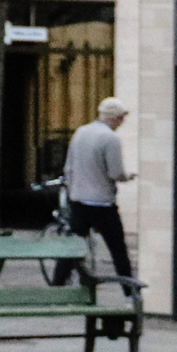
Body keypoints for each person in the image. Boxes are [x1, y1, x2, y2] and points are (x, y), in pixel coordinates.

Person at [58, 96, 136, 290]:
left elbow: (69, 167)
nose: (122, 122)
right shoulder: (110, 138)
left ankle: (56, 286)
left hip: (79, 200)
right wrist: (128, 177)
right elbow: (115, 172)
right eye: (121, 118)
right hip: (102, 203)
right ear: (115, 118)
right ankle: (129, 292)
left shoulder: (81, 132)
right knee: (118, 250)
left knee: (72, 248)